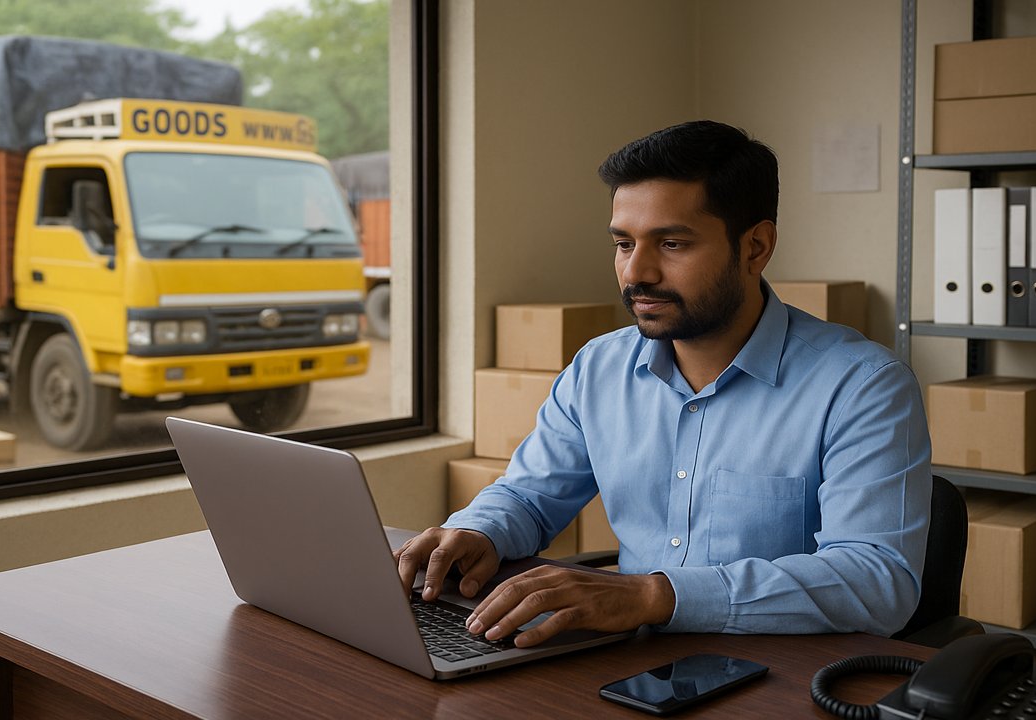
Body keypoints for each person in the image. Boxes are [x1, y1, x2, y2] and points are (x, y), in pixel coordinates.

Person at [396, 120, 932, 648]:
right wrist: (480, 530)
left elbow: (877, 581)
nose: (637, 273)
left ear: (756, 247)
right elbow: (530, 496)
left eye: (672, 244)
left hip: (777, 672)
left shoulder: (864, 386)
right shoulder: (598, 368)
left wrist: (655, 597)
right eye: (624, 244)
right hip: (626, 657)